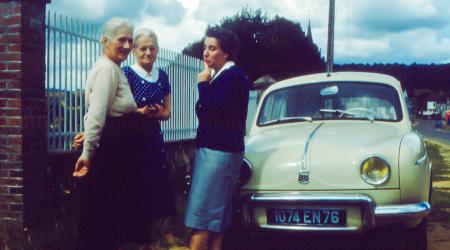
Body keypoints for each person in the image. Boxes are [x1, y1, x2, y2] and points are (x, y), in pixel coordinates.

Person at [72, 17, 153, 249]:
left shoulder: (112, 67)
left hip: (119, 147)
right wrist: (87, 152)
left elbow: (110, 108)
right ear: (105, 41)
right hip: (113, 151)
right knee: (108, 212)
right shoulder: (107, 69)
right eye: (122, 40)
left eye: (130, 40)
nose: (128, 46)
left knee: (114, 213)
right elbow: (98, 113)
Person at [184, 27, 251, 250]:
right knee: (216, 222)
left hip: (216, 154)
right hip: (225, 153)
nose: (205, 53)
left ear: (226, 53)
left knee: (201, 220)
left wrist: (202, 83)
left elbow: (209, 110)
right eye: (205, 48)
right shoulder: (229, 77)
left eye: (212, 48)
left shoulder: (230, 77)